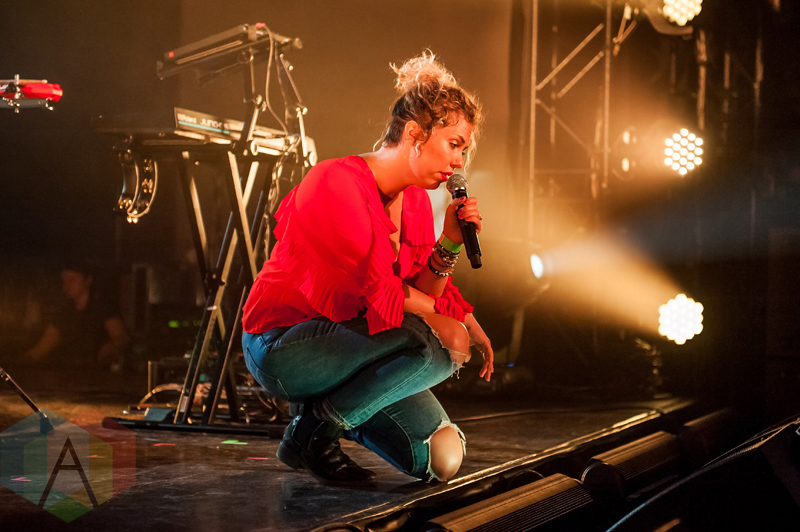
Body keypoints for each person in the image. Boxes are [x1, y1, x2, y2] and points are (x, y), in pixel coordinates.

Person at [241, 51, 494, 486]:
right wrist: (458, 321)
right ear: (414, 133)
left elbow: (420, 292)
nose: (459, 163)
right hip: (283, 345)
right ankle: (314, 431)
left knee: (443, 457)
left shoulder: (416, 201)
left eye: (463, 151)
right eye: (454, 145)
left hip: (354, 345)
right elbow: (383, 295)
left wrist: (451, 242)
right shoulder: (336, 181)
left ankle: (331, 409)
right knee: (447, 341)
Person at [25, 265, 129, 370]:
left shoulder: (103, 307)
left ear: (88, 280)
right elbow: (42, 347)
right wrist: (24, 361)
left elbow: (120, 338)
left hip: (99, 374)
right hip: (70, 373)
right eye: (64, 281)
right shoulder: (64, 314)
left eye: (71, 280)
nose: (66, 285)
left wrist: (111, 348)